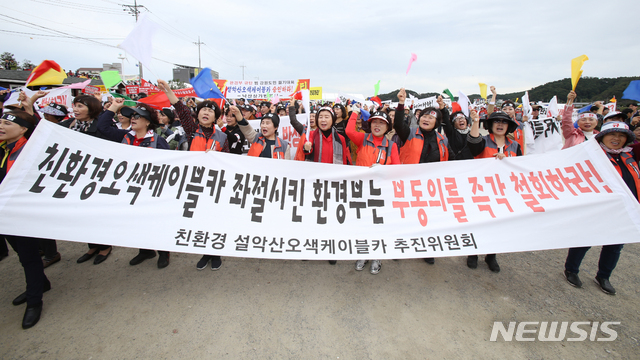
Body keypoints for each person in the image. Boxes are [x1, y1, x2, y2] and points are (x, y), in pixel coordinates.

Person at [157, 79, 229, 271]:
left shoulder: (222, 137)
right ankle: (205, 252)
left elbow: (229, 161)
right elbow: (179, 107)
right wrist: (168, 90)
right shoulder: (191, 130)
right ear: (197, 115)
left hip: (215, 184)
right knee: (200, 218)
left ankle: (215, 253)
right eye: (203, 110)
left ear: (216, 117)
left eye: (210, 111)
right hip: (194, 182)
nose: (206, 112)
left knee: (214, 218)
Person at [564, 121, 639, 295]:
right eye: (612, 134)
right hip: (598, 208)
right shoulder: (590, 156)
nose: (616, 139)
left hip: (624, 209)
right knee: (585, 240)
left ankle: (604, 276)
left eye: (621, 136)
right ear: (602, 137)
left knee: (614, 246)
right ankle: (571, 270)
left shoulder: (629, 156)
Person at [97, 98, 172, 268]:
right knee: (137, 221)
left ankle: (163, 252)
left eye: (138, 116)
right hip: (130, 188)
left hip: (151, 189)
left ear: (147, 122)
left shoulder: (157, 141)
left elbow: (168, 165)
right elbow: (102, 127)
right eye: (132, 115)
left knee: (155, 221)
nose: (133, 118)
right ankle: (145, 250)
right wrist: (115, 106)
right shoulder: (124, 136)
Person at [0, 109, 49, 329]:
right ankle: (42, 283)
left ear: (23, 129)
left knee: (29, 256)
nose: (1, 126)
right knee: (20, 252)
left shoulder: (31, 151)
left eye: (7, 123)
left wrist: (30, 105)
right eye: (0, 121)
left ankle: (34, 301)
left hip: (23, 214)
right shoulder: (3, 149)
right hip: (4, 214)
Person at [394, 88, 450, 264]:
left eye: (431, 117)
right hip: (408, 183)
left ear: (437, 122)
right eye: (424, 116)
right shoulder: (409, 133)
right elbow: (398, 125)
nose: (426, 119)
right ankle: (400, 245)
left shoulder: (443, 140)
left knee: (428, 217)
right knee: (405, 215)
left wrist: (444, 109)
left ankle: (427, 247)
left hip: (430, 187)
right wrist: (401, 104)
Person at [60, 95, 114, 265]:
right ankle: (92, 245)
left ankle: (105, 246)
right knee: (81, 212)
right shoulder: (66, 125)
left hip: (96, 175)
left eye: (80, 106)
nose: (75, 109)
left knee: (96, 212)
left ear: (92, 108)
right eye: (74, 106)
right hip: (74, 175)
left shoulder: (102, 127)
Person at [466, 110, 522, 272]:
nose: (500, 124)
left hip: (504, 192)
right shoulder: (483, 141)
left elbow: (520, 168)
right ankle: (473, 253)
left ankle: (491, 255)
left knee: (498, 225)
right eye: (496, 121)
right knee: (478, 222)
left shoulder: (515, 146)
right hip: (481, 190)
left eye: (503, 122)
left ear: (508, 126)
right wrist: (475, 122)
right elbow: (473, 143)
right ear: (490, 125)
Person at [346, 106, 399, 274]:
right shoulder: (363, 139)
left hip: (380, 192)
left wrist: (383, 170)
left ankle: (377, 255)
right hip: (361, 189)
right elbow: (348, 130)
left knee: (378, 224)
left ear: (387, 127)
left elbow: (397, 169)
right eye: (374, 122)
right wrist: (354, 112)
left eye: (382, 123)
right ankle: (364, 253)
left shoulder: (391, 146)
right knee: (363, 223)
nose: (377, 125)